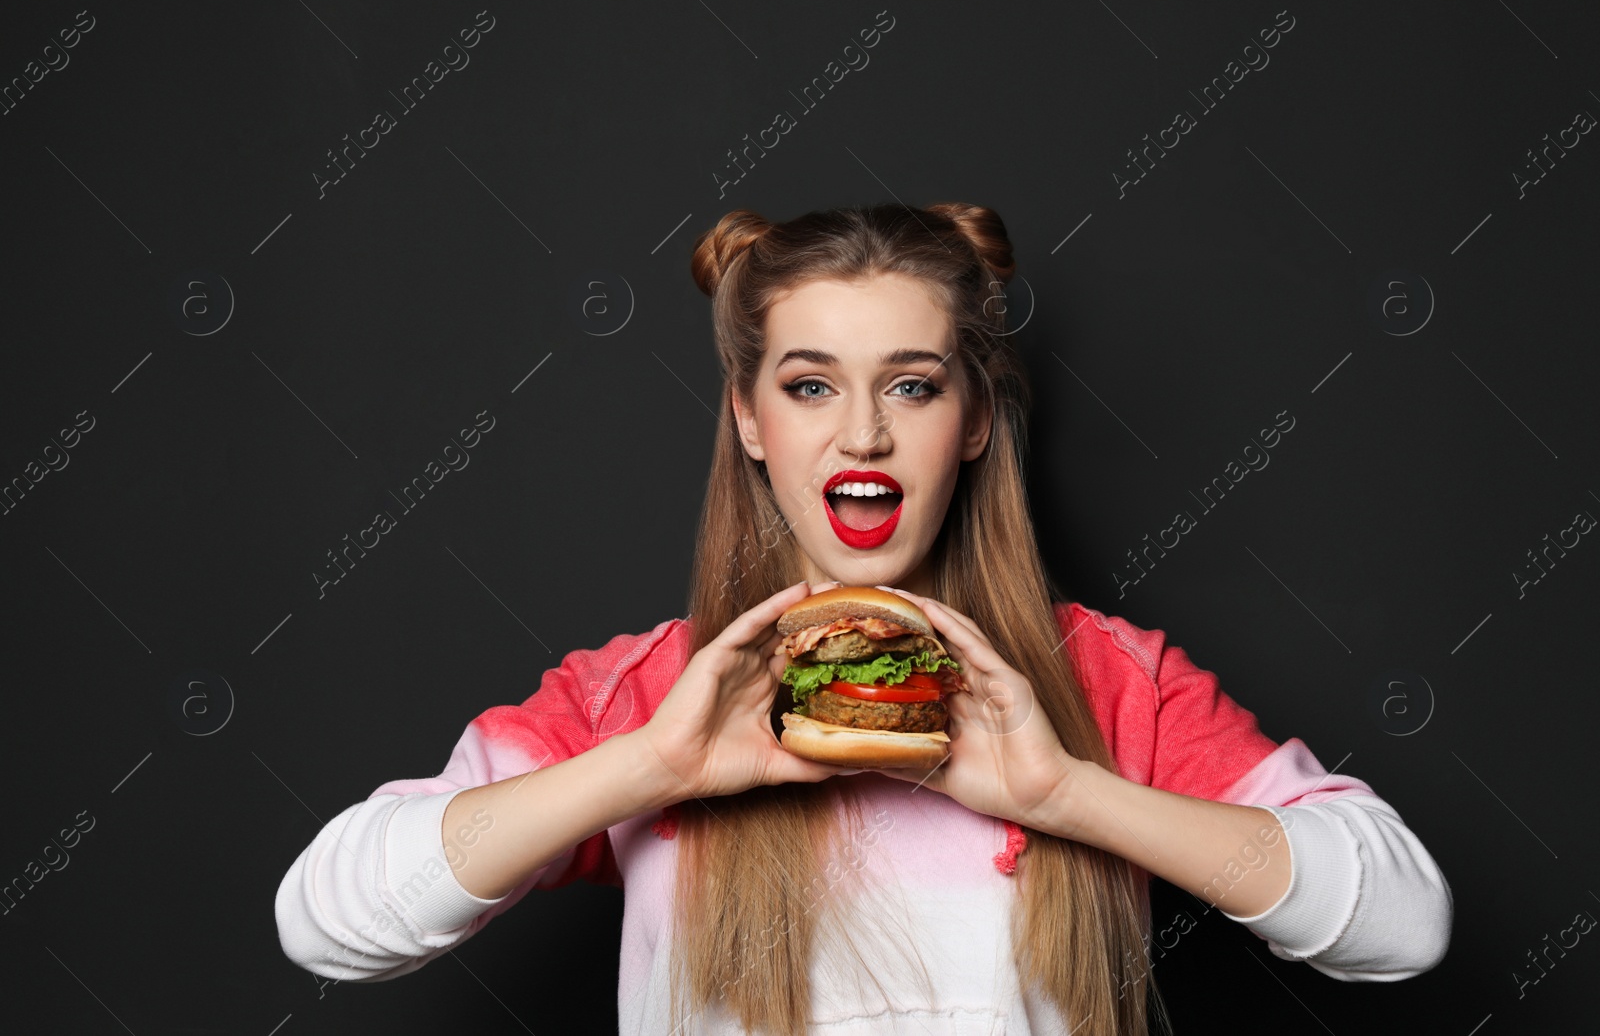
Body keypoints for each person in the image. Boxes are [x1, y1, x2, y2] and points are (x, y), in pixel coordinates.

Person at [275, 202, 1453, 1035]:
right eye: (808, 384)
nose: (863, 435)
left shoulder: (1100, 676)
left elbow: (1404, 924)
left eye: (911, 382)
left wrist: (1066, 795)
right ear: (748, 419)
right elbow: (328, 922)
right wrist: (647, 766)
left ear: (975, 417)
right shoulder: (648, 695)